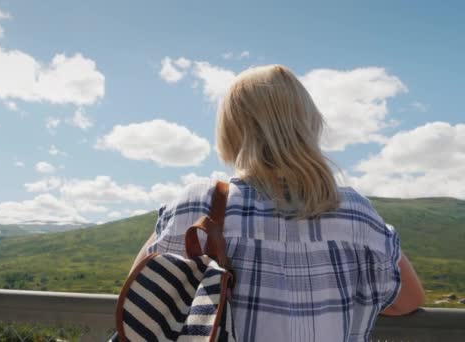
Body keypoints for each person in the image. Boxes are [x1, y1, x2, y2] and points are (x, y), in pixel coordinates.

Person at [129, 65, 425, 341]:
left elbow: (138, 294)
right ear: (308, 125)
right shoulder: (354, 213)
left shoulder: (197, 205)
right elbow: (408, 301)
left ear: (230, 132)